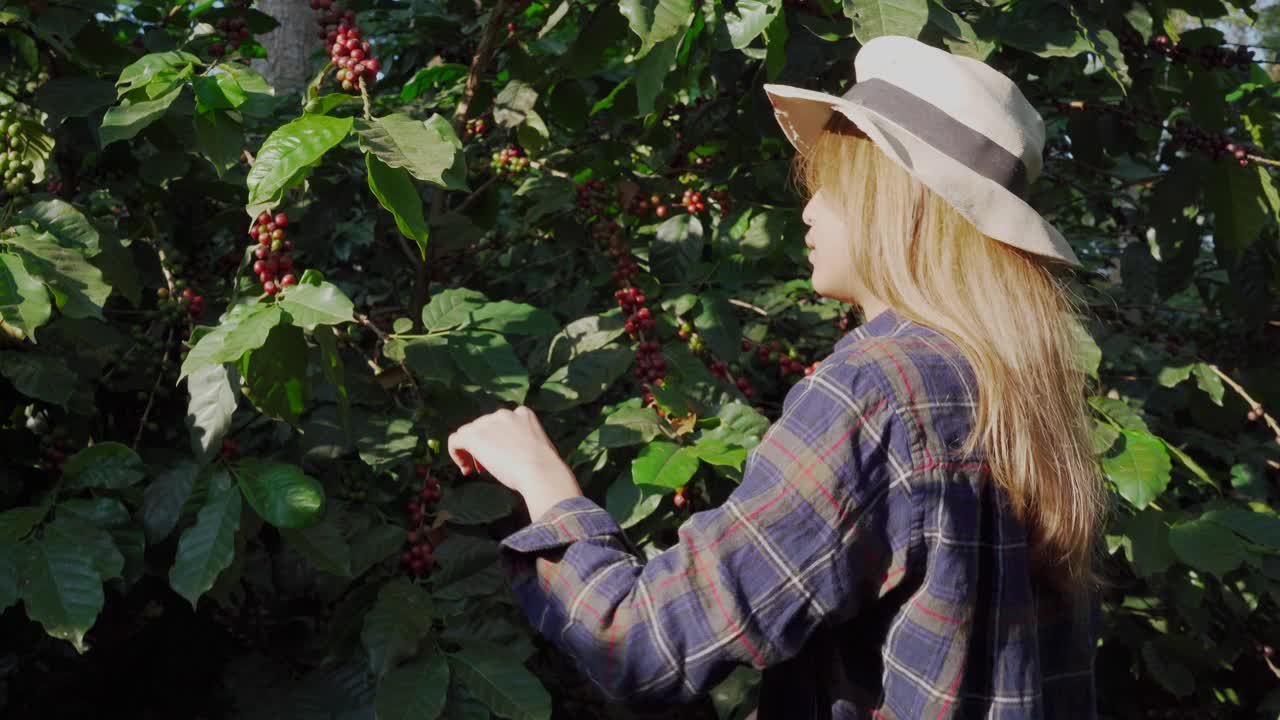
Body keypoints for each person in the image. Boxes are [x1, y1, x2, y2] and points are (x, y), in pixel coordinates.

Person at [446, 35, 1105, 719]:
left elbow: (642, 644)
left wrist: (544, 484)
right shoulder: (1023, 391)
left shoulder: (876, 390)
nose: (809, 210)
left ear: (894, 205)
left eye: (830, 188)